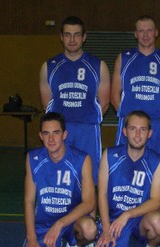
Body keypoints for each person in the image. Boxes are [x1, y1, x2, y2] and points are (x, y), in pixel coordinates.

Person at [20, 112, 97, 247]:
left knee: (90, 230)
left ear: (65, 134)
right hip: (45, 226)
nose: (51, 139)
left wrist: (60, 224)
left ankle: (73, 246)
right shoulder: (33, 158)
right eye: (46, 133)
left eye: (56, 132)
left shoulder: (82, 159)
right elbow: (28, 201)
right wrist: (31, 238)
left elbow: (89, 202)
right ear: (40, 136)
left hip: (72, 223)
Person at [92, 110, 160, 247]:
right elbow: (102, 194)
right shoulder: (109, 155)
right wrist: (105, 229)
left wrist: (128, 214)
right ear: (125, 132)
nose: (138, 134)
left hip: (141, 219)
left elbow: (156, 201)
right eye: (133, 129)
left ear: (150, 134)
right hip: (113, 221)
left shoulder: (157, 161)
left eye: (142, 130)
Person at [40, 16, 111, 185]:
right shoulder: (49, 66)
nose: (72, 39)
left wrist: (86, 118)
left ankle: (91, 213)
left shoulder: (98, 66)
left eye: (77, 35)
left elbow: (105, 103)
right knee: (61, 176)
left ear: (84, 37)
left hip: (88, 130)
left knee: (90, 178)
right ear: (61, 37)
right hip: (60, 131)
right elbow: (46, 104)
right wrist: (58, 128)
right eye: (68, 35)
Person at [111, 15, 160, 178]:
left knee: (158, 175)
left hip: (157, 126)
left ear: (156, 33)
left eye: (149, 30)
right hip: (130, 128)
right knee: (122, 173)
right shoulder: (124, 58)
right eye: (141, 31)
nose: (145, 35)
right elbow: (114, 95)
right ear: (135, 34)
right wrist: (129, 123)